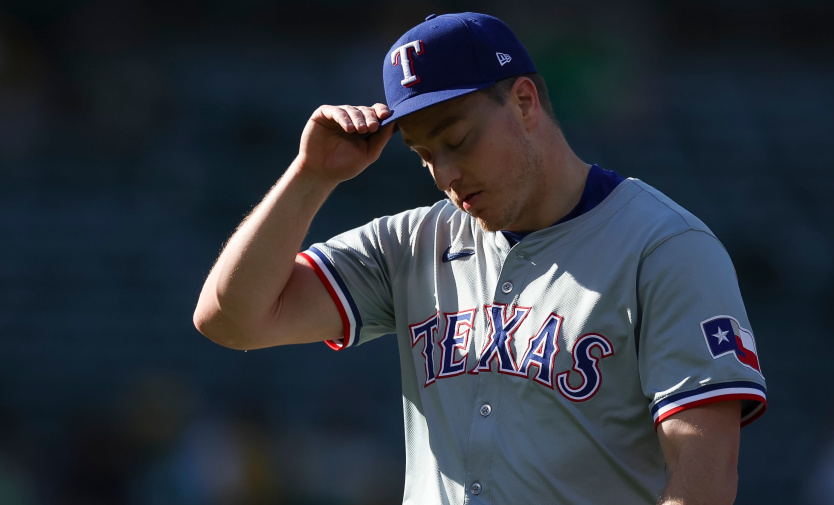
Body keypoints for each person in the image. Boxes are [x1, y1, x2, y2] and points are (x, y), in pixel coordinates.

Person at [194, 12, 767, 505]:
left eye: (458, 139)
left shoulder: (664, 249)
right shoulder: (413, 243)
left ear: (523, 102)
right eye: (424, 155)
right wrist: (309, 178)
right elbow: (229, 318)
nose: (445, 174)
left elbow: (704, 481)